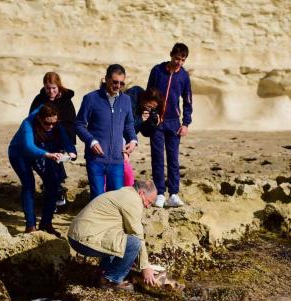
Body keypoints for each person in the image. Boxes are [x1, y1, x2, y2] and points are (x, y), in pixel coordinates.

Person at [68, 180, 158, 291]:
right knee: (134, 243)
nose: (148, 206)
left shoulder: (124, 193)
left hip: (77, 235)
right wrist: (145, 267)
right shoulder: (132, 200)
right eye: (149, 202)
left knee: (120, 237)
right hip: (83, 240)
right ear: (141, 194)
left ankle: (103, 272)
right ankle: (110, 280)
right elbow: (137, 235)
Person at [8, 103, 76, 235]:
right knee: (29, 184)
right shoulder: (28, 123)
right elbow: (28, 146)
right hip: (19, 155)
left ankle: (46, 223)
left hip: (41, 153)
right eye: (47, 123)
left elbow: (64, 137)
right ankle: (30, 226)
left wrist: (71, 152)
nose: (50, 126)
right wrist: (47, 154)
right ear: (40, 118)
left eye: (53, 123)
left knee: (53, 184)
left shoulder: (54, 123)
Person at [75, 64, 137, 199]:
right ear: (106, 79)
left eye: (121, 83)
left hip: (117, 160)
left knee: (115, 199)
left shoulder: (126, 100)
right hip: (95, 159)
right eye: (115, 82)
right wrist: (91, 141)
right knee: (98, 198)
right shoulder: (91, 98)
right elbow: (79, 124)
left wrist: (133, 140)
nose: (118, 86)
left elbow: (129, 125)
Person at [146, 42, 192, 208]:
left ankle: (173, 194)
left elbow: (187, 101)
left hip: (174, 123)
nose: (179, 62)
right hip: (157, 122)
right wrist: (152, 115)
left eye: (182, 59)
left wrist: (186, 123)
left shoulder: (184, 76)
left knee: (173, 159)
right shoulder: (157, 71)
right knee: (157, 158)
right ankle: (159, 194)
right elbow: (148, 95)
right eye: (177, 58)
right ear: (171, 54)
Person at [29, 72, 77, 207]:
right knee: (47, 167)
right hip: (42, 139)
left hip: (60, 140)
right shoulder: (39, 99)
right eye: (48, 88)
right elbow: (32, 118)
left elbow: (70, 122)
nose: (51, 91)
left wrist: (69, 146)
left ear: (59, 86)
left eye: (54, 88)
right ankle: (54, 194)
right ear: (44, 87)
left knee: (54, 165)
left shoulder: (66, 100)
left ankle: (57, 194)